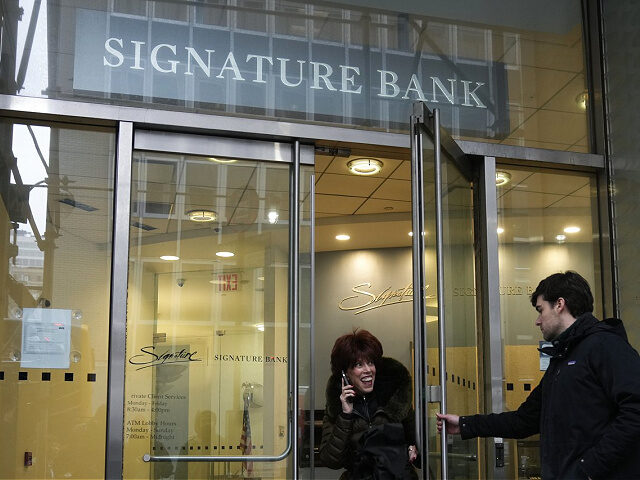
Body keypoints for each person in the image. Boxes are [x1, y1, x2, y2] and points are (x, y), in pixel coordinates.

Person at [436, 271, 640, 480]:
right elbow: (524, 420)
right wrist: (465, 424)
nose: (537, 321)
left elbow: (635, 410)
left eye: (540, 310)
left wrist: (590, 468)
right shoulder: (562, 360)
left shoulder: (605, 345)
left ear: (560, 304)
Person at [319, 328, 419, 479]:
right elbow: (331, 460)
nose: (368, 370)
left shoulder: (395, 397)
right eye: (359, 365)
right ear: (345, 374)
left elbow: (420, 447)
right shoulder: (337, 406)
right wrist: (345, 415)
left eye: (370, 363)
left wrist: (413, 450)